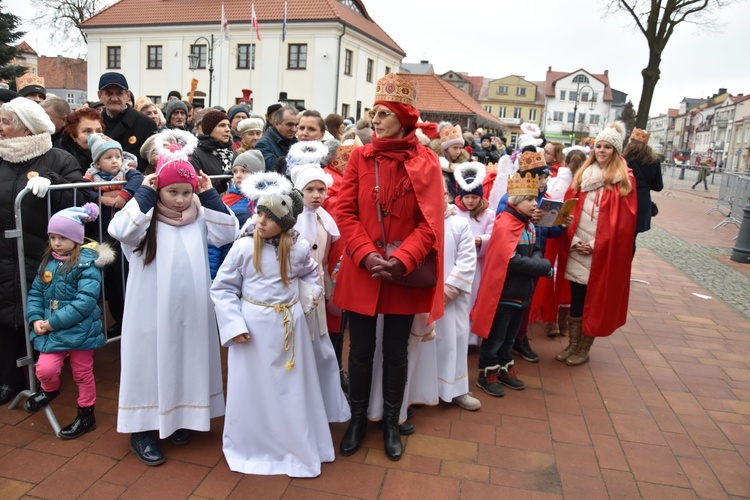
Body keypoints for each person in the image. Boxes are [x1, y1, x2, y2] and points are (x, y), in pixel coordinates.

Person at [108, 129, 239, 466]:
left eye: (185, 192)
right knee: (149, 361)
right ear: (159, 189)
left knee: (185, 356)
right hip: (150, 308)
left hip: (190, 305)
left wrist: (208, 196)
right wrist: (145, 196)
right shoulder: (145, 219)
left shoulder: (196, 214)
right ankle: (142, 429)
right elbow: (119, 231)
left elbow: (228, 233)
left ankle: (182, 416)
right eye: (172, 192)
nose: (180, 199)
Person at [334, 73, 444, 462]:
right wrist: (365, 253)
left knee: (396, 352)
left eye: (382, 113)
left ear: (402, 117)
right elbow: (344, 211)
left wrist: (402, 259)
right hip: (362, 269)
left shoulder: (426, 161)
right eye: (372, 112)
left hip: (402, 274)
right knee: (361, 351)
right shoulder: (361, 157)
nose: (374, 119)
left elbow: (430, 223)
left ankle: (392, 423)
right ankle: (358, 420)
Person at [211, 172, 335, 477]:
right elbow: (222, 288)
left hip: (288, 329)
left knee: (289, 388)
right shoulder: (243, 249)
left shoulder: (297, 248)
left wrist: (309, 297)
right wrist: (233, 324)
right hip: (252, 329)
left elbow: (310, 275)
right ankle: (253, 443)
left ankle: (293, 442)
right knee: (254, 387)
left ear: (286, 222)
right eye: (260, 213)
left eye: (270, 217)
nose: (261, 221)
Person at [0, 97, 87, 405]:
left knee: (39, 311)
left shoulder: (58, 159)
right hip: (4, 251)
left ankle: (46, 378)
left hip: (41, 253)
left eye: (6, 122)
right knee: (4, 314)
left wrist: (55, 183)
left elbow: (83, 200)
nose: (0, 127)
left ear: (26, 128)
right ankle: (8, 379)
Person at [24, 203, 111, 439]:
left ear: (76, 238)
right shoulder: (48, 262)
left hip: (80, 332)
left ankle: (86, 414)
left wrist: (52, 323)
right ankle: (50, 390)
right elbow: (35, 294)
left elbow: (84, 303)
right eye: (52, 237)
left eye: (62, 237)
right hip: (52, 330)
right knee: (45, 369)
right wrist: (35, 319)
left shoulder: (87, 264)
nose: (56, 243)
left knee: (83, 374)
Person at [555, 121, 637, 366]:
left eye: (607, 147)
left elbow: (623, 224)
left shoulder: (622, 181)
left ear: (616, 151)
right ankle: (572, 343)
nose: (601, 151)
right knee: (577, 296)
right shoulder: (583, 177)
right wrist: (575, 240)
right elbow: (569, 210)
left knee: (594, 298)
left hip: (600, 252)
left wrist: (595, 244)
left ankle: (584, 348)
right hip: (577, 246)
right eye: (598, 146)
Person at [471, 171, 553, 397]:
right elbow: (509, 259)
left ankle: (504, 368)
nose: (535, 204)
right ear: (516, 201)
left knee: (510, 335)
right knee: (496, 335)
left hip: (521, 291)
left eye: (535, 199)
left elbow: (535, 248)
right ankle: (486, 373)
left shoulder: (527, 224)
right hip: (505, 292)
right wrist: (542, 267)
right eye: (529, 199)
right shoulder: (506, 224)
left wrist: (538, 260)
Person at [289, 162, 350, 422]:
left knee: (320, 340)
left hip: (319, 289)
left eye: (321, 189)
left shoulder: (326, 219)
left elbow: (328, 257)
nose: (316, 195)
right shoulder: (292, 220)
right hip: (295, 290)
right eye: (310, 189)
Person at [435, 179, 479, 410]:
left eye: (441, 193)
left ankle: (457, 389)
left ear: (449, 196)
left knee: (456, 340)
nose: (438, 198)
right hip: (424, 297)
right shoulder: (419, 221)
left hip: (452, 299)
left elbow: (467, 261)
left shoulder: (460, 224)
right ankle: (424, 391)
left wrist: (447, 293)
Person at [453, 162, 494, 348]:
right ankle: (456, 334)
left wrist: (481, 240)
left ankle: (471, 338)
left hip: (478, 265)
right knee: (458, 297)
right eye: (467, 197)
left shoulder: (488, 214)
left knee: (474, 297)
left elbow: (493, 235)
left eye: (474, 197)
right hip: (458, 261)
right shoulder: (454, 213)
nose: (470, 201)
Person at [207, 150, 264, 279]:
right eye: (235, 171)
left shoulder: (266, 199)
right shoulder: (226, 201)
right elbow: (216, 239)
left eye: (244, 171)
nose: (238, 175)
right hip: (231, 261)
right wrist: (213, 273)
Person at [97, 72, 158, 172]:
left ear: (128, 95)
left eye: (119, 93)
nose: (114, 98)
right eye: (109, 93)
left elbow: (152, 162)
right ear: (100, 96)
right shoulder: (95, 123)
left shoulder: (145, 123)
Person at [623, 127, 663, 253]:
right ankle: (627, 268)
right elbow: (658, 186)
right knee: (632, 239)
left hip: (625, 201)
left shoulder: (623, 160)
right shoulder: (654, 160)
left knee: (621, 238)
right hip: (642, 204)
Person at [189, 109, 235, 193]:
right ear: (210, 129)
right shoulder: (195, 155)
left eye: (229, 126)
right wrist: (221, 183)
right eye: (222, 125)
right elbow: (197, 187)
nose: (227, 129)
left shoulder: (233, 153)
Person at [57, 107, 106, 173]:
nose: (95, 136)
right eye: (87, 131)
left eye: (98, 131)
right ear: (73, 136)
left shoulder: (108, 152)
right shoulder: (62, 159)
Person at [255, 105, 300, 172]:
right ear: (276, 123)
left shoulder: (296, 142)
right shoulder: (263, 144)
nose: (294, 129)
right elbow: (274, 169)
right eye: (289, 124)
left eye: (296, 125)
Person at [432, 123, 470, 199]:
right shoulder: (436, 165)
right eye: (455, 148)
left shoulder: (462, 166)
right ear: (445, 149)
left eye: (460, 148)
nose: (458, 151)